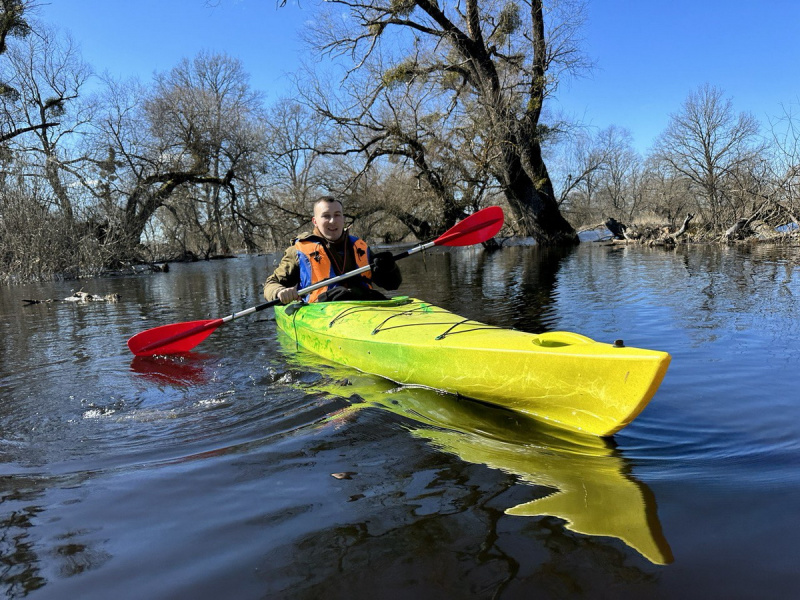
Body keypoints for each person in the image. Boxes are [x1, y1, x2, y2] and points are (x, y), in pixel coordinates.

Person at [263, 195, 402, 304]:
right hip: (322, 311)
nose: (332, 221)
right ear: (315, 221)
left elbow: (392, 285)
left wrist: (390, 268)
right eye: (326, 216)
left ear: (343, 218)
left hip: (364, 304)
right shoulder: (299, 251)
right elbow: (271, 283)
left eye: (337, 215)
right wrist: (280, 292)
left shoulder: (360, 247)